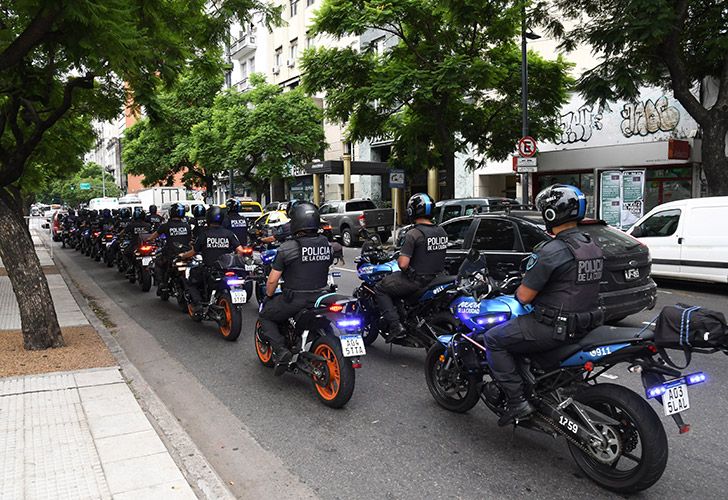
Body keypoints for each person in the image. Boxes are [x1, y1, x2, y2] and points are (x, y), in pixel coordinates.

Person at [484, 184, 605, 426]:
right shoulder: (591, 245)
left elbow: (524, 297)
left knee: (493, 339)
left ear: (551, 214)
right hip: (586, 323)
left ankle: (518, 402)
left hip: (553, 327)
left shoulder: (553, 250)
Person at [258, 202, 333, 375]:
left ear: (296, 223)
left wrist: (269, 295)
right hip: (322, 297)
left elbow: (272, 281)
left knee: (265, 315)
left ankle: (281, 350)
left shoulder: (287, 248)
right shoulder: (326, 244)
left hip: (296, 299)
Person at [374, 193, 448, 341]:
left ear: (411, 211)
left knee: (380, 288)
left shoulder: (413, 234)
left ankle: (396, 326)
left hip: (416, 282)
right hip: (437, 279)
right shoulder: (442, 231)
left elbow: (402, 264)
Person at [178, 206, 246, 315]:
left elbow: (193, 252)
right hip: (226, 268)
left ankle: (198, 304)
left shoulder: (204, 234)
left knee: (191, 279)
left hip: (209, 270)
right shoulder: (229, 234)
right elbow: (240, 251)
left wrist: (183, 256)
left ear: (208, 218)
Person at [145, 203, 192, 296]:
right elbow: (190, 240)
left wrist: (148, 239)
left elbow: (154, 236)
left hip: (171, 254)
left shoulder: (166, 226)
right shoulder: (187, 226)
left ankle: (162, 283)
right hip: (186, 253)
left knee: (157, 262)